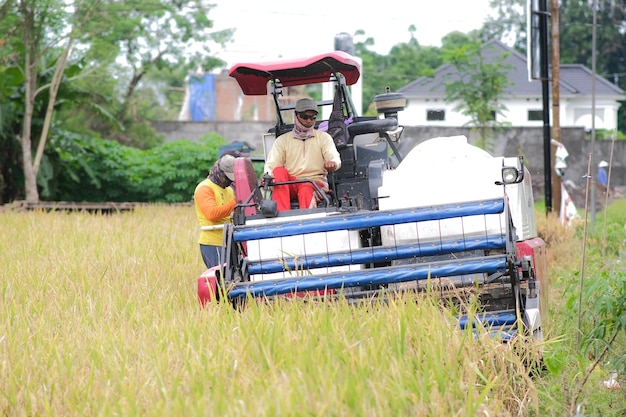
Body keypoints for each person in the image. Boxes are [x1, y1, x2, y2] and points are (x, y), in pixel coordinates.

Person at [264, 98, 341, 211]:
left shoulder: (324, 138)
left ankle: (307, 224)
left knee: (305, 187)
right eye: (305, 117)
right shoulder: (283, 140)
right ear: (296, 115)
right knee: (278, 171)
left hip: (315, 184)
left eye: (313, 117)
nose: (309, 121)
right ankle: (281, 216)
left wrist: (333, 163)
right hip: (291, 183)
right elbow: (271, 166)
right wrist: (268, 177)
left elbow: (334, 157)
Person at [194, 154, 237, 269]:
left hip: (230, 242)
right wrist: (236, 202)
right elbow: (211, 214)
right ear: (219, 171)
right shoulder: (204, 188)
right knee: (221, 281)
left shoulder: (229, 190)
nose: (229, 180)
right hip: (212, 244)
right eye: (227, 177)